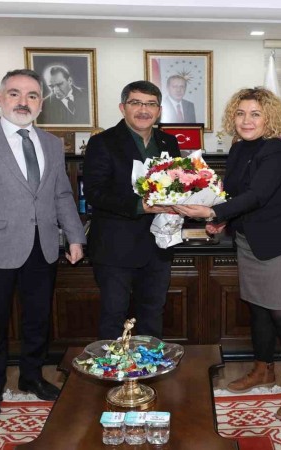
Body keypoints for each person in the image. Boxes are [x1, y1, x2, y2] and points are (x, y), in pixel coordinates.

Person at [0, 69, 85, 422]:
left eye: (32, 95)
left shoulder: (52, 144)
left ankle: (31, 376)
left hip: (43, 247)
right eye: (14, 93)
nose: (23, 102)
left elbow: (61, 194)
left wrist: (75, 236)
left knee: (38, 319)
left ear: (41, 104)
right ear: (0, 98)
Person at [174, 87, 281, 420]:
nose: (246, 120)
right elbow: (234, 194)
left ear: (270, 118)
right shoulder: (238, 149)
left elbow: (258, 195)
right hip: (250, 242)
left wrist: (212, 213)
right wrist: (223, 220)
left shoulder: (277, 151)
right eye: (240, 113)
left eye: (255, 114)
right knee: (259, 310)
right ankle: (263, 370)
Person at [82, 80, 180, 340]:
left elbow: (177, 185)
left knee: (153, 313)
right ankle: (114, 367)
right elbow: (94, 192)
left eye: (150, 104)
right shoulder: (102, 142)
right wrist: (140, 205)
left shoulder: (169, 142)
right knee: (114, 316)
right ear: (122, 107)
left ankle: (150, 364)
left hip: (158, 246)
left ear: (159, 111)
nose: (143, 110)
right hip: (115, 248)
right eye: (136, 103)